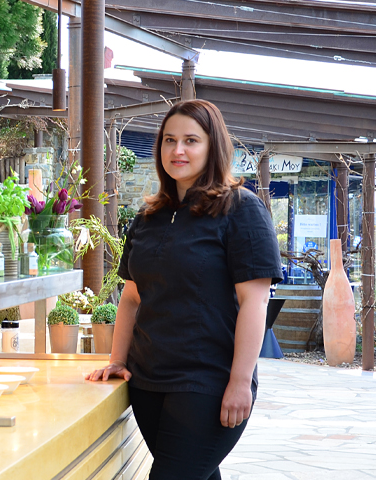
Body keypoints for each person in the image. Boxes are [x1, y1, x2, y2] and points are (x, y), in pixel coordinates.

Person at [85, 99, 282, 479]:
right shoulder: (147, 218)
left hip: (207, 384)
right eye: (169, 140)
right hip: (147, 384)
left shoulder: (241, 209)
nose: (178, 150)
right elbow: (131, 299)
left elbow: (254, 302)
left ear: (212, 147)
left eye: (191, 140)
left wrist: (241, 383)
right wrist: (117, 360)